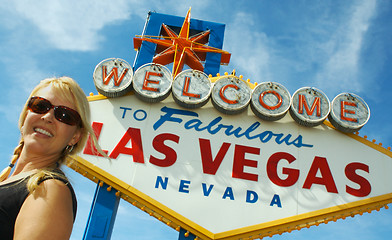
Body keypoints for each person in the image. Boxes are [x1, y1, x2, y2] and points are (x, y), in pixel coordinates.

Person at [0, 77, 102, 240]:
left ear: (74, 137)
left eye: (65, 115)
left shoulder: (50, 189)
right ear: (27, 114)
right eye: (40, 106)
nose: (48, 117)